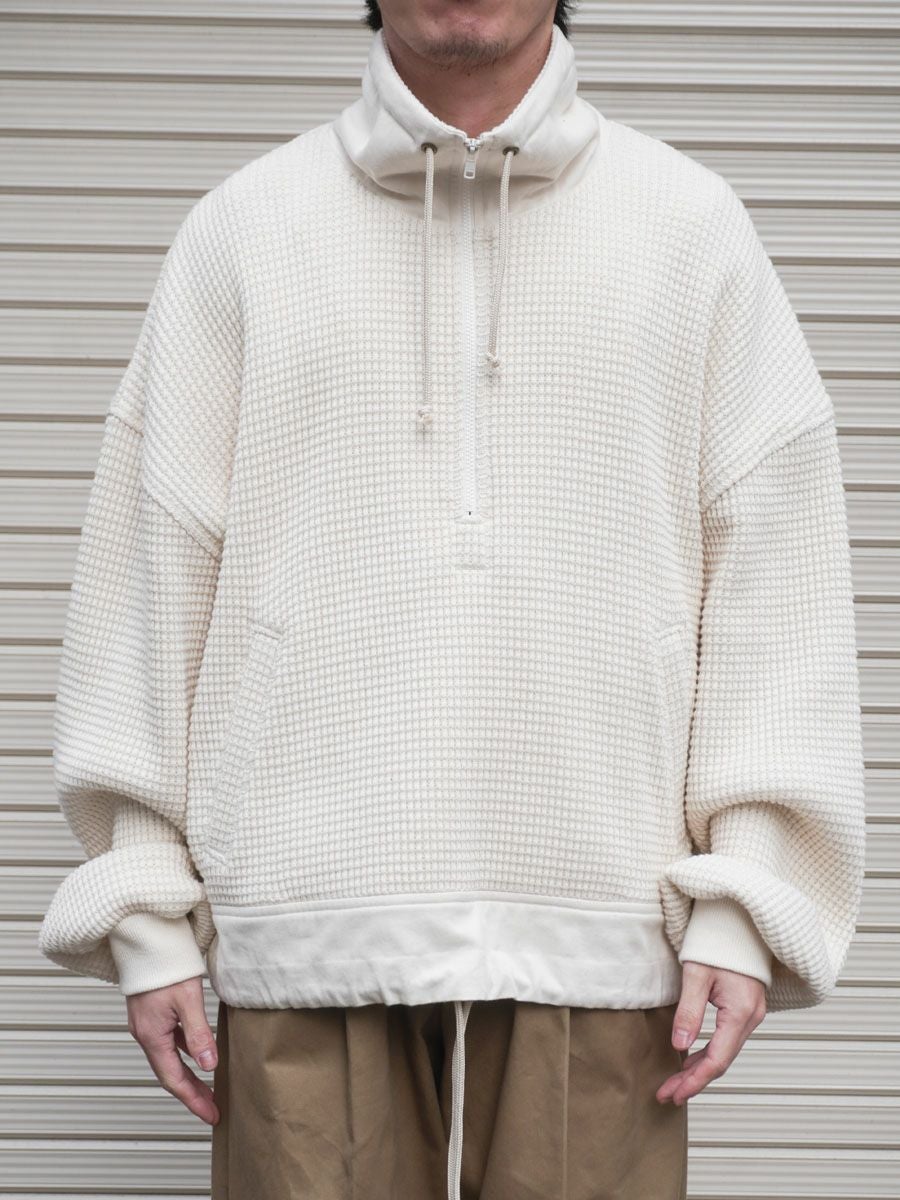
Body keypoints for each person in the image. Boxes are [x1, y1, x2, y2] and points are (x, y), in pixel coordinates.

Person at [37, 1, 867, 1197]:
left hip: (605, 936)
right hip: (309, 933)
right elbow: (147, 576)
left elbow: (774, 581)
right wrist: (146, 911)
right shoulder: (244, 232)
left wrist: (749, 900)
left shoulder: (691, 231)